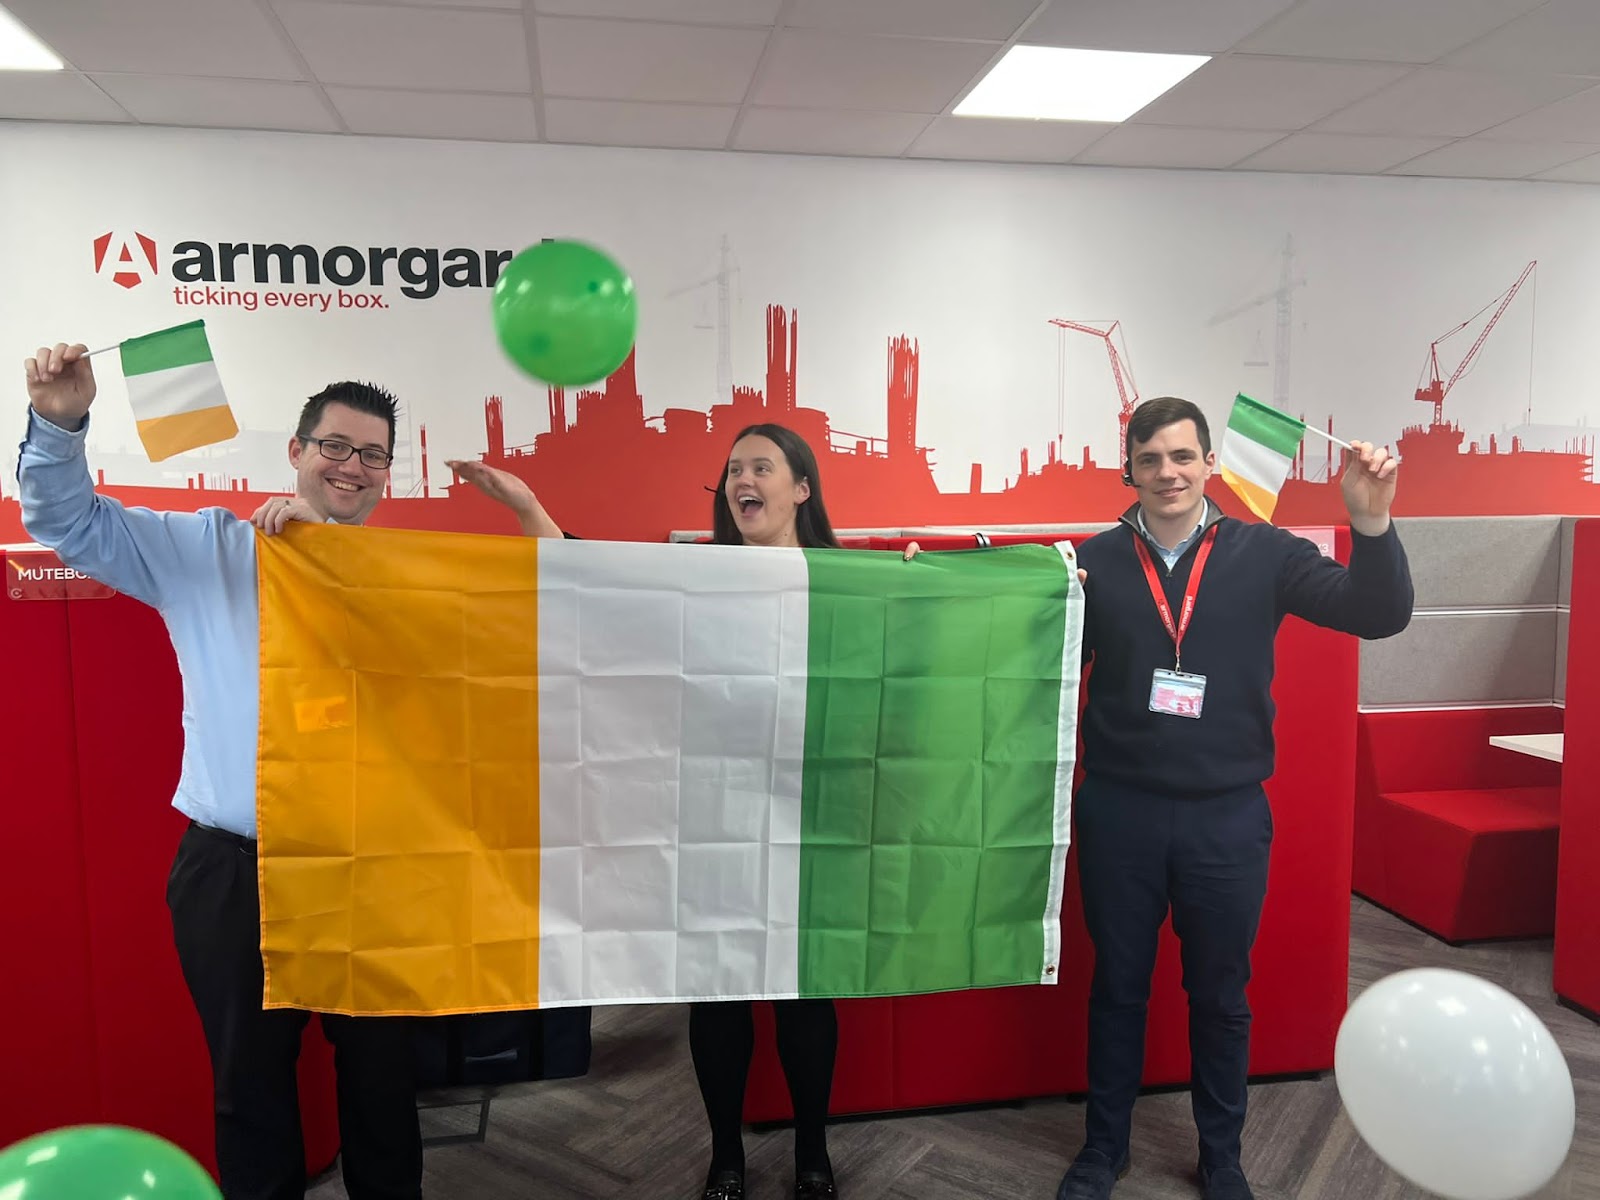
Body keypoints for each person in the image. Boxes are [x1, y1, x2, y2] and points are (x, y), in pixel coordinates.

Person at [17, 341, 558, 1200]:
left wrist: (524, 505)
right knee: (250, 1087)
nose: (352, 467)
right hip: (236, 869)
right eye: (334, 447)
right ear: (298, 452)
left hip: (368, 869)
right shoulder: (208, 551)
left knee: (382, 1085)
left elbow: (555, 602)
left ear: (386, 475)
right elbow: (68, 522)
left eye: (371, 454)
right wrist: (58, 422)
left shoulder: (407, 580)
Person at [1055, 397, 1413, 1200]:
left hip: (1226, 816)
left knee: (1219, 994)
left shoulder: (1266, 554)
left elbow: (1380, 613)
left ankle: (1223, 1155)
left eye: (1182, 457)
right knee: (1116, 987)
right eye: (1149, 460)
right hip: (1119, 811)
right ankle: (1102, 1148)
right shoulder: (1093, 560)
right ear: (1129, 471)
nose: (1167, 473)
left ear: (1210, 464)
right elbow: (1028, 664)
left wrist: (1372, 523)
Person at [695, 422, 845, 1200]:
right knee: (718, 989)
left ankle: (812, 1155)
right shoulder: (698, 579)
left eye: (760, 466)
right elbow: (590, 577)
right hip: (716, 813)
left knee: (803, 991)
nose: (741, 480)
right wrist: (526, 509)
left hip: (810, 817)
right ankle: (726, 1156)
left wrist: (915, 588)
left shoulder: (846, 580)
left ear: (801, 489)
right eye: (731, 471)